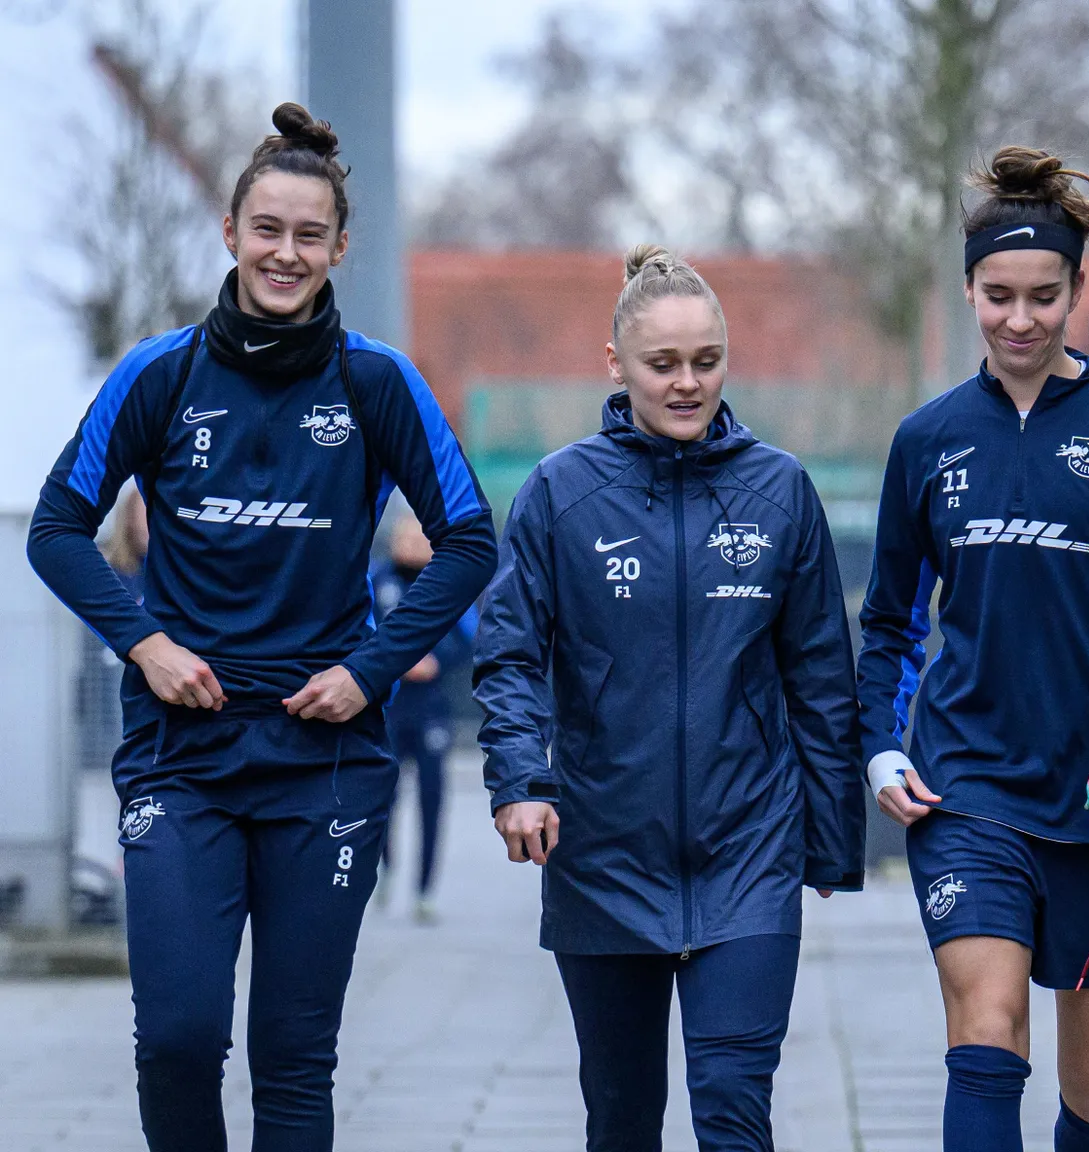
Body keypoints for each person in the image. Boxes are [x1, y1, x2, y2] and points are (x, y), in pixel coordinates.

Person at [26, 102, 495, 1151]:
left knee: (293, 1058)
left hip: (322, 760)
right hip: (179, 756)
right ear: (232, 233)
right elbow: (56, 530)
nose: (286, 253)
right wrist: (143, 643)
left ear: (338, 248)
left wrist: (371, 669)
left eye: (309, 235)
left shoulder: (377, 382)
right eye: (268, 229)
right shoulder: (160, 373)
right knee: (178, 1041)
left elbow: (470, 539)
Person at [856, 146, 1089, 1152]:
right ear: (968, 291)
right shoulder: (927, 441)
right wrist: (879, 749)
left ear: (1075, 291)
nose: (1018, 319)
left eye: (1042, 296)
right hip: (965, 790)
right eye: (996, 296)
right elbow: (887, 621)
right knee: (986, 1032)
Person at [473, 244, 865, 1151]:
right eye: (664, 365)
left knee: (734, 1112)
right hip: (603, 854)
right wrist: (520, 780)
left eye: (707, 361)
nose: (688, 384)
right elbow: (510, 654)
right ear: (616, 365)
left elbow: (818, 676)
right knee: (621, 1120)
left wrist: (831, 843)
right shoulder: (561, 494)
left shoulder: (779, 492)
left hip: (749, 857)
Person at [371, 507, 474, 923]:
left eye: (419, 537)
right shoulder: (377, 581)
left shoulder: (444, 583)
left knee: (433, 796)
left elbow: (467, 637)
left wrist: (434, 661)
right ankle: (384, 866)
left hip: (431, 709)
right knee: (381, 796)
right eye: (404, 536)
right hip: (387, 709)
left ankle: (425, 889)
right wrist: (391, 662)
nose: (411, 543)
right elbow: (359, 628)